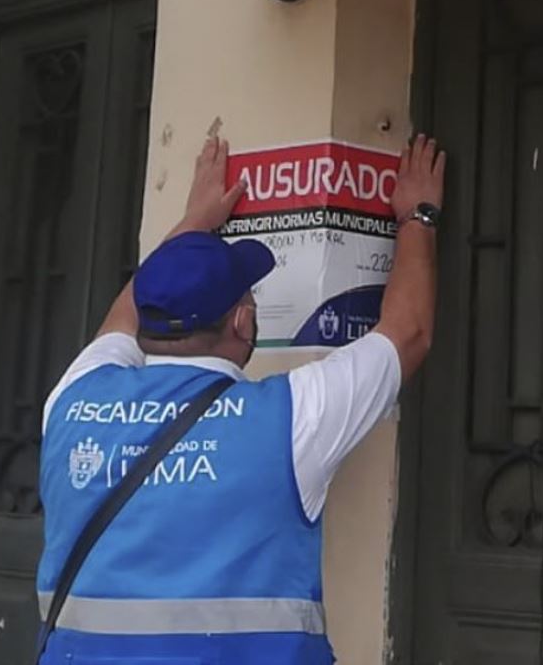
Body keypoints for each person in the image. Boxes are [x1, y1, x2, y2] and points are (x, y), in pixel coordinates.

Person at [35, 124, 446, 664]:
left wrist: (192, 227)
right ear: (244, 320)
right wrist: (419, 215)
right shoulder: (288, 421)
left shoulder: (73, 399)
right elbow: (408, 332)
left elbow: (122, 317)